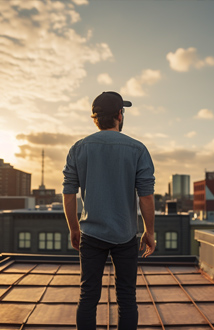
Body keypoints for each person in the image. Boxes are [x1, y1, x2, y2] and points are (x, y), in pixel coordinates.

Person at [62, 91, 156, 329]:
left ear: (95, 118)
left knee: (88, 297)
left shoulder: (79, 148)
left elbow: (68, 192)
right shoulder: (138, 149)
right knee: (127, 298)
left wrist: (74, 228)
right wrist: (149, 232)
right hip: (125, 235)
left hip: (90, 235)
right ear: (119, 115)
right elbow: (146, 196)